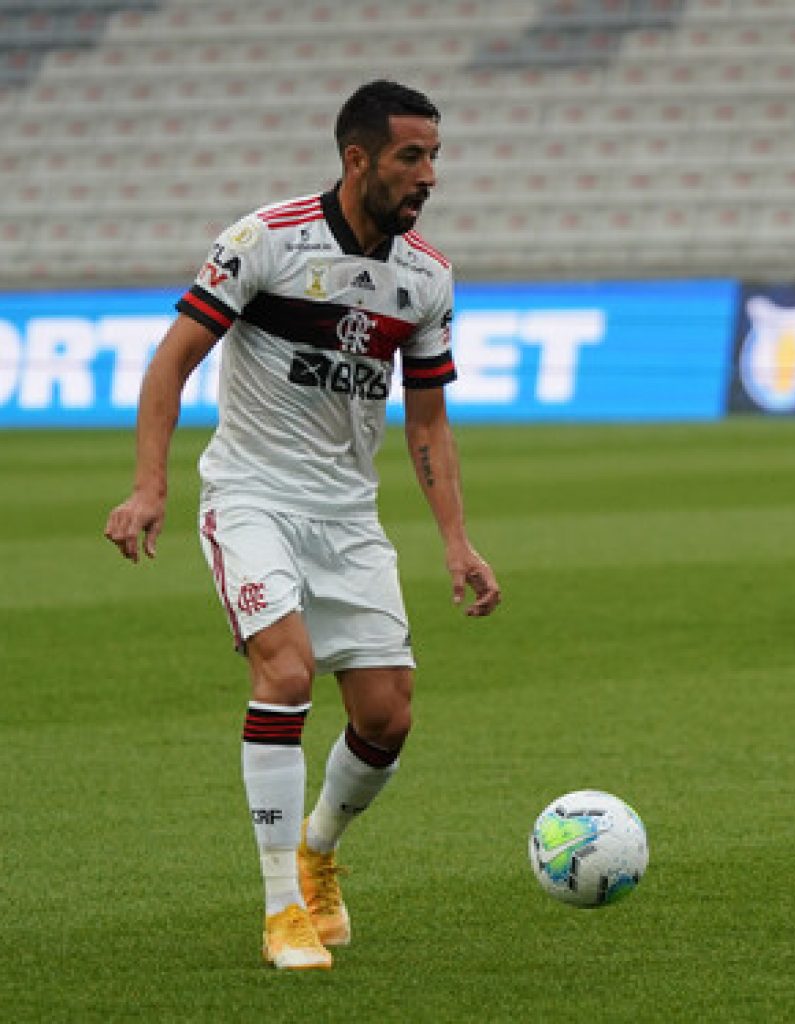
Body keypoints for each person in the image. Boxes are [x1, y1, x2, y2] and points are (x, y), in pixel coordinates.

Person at [104, 80, 501, 971]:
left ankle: (319, 852)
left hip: (347, 515)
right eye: (411, 157)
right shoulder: (265, 242)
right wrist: (148, 486)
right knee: (285, 672)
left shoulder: (426, 277)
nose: (429, 176)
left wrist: (456, 541)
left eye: (435, 157)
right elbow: (170, 362)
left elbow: (428, 420)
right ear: (357, 159)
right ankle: (282, 906)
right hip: (251, 496)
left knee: (387, 716)